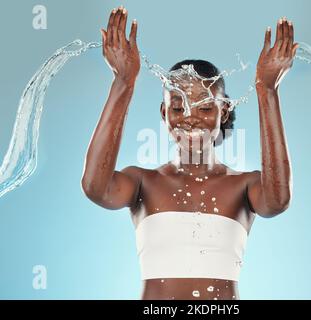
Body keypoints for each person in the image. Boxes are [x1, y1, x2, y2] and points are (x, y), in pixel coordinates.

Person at [81, 5, 298, 300]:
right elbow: (96, 187)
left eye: (205, 107)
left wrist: (267, 90)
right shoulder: (142, 183)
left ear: (224, 112)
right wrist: (124, 82)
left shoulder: (245, 186)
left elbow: (278, 199)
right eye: (178, 106)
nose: (189, 118)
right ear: (164, 112)